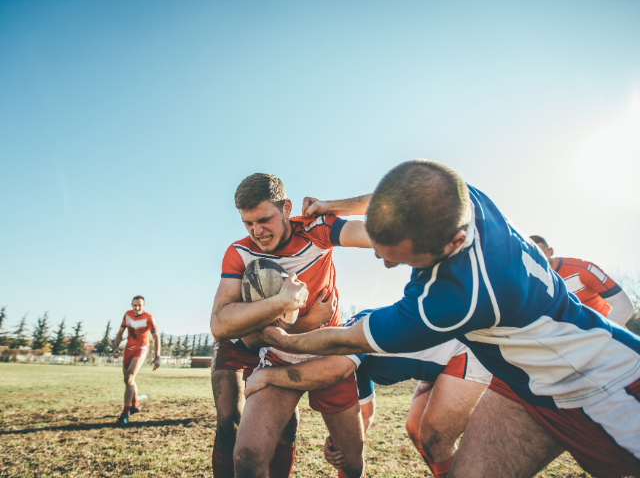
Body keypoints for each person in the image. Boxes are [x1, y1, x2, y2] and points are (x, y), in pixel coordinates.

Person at [258, 160, 640, 478]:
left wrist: (285, 341)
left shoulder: (455, 298)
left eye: (402, 257)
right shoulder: (457, 196)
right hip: (519, 383)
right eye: (380, 250)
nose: (386, 261)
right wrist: (332, 205)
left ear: (454, 242)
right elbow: (391, 197)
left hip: (601, 387)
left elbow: (347, 340)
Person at [209, 173, 370, 478]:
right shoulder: (240, 252)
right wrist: (284, 303)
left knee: (351, 461)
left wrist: (332, 206)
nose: (257, 231)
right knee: (246, 456)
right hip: (278, 354)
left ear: (286, 207)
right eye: (248, 223)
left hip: (327, 349)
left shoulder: (316, 229)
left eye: (264, 219)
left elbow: (377, 233)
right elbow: (219, 323)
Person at [245, 310, 492, 478]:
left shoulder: (352, 335)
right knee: (416, 429)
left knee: (434, 437)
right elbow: (366, 415)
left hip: (467, 351)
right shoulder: (355, 366)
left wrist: (266, 375)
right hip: (438, 365)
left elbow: (330, 372)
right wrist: (339, 443)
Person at [530, 235, 634, 326]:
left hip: (609, 337)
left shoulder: (581, 269)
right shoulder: (534, 282)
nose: (539, 259)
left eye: (542, 253)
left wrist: (602, 336)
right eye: (534, 255)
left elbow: (624, 306)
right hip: (573, 341)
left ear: (551, 251)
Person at [112, 295, 160, 425]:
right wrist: (116, 347)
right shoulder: (127, 315)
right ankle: (135, 404)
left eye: (139, 305)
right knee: (128, 381)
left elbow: (156, 337)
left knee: (129, 378)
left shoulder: (149, 318)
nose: (137, 307)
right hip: (128, 349)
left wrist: (157, 357)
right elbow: (120, 332)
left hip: (141, 350)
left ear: (143, 305)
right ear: (131, 305)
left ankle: (125, 414)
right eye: (135, 305)